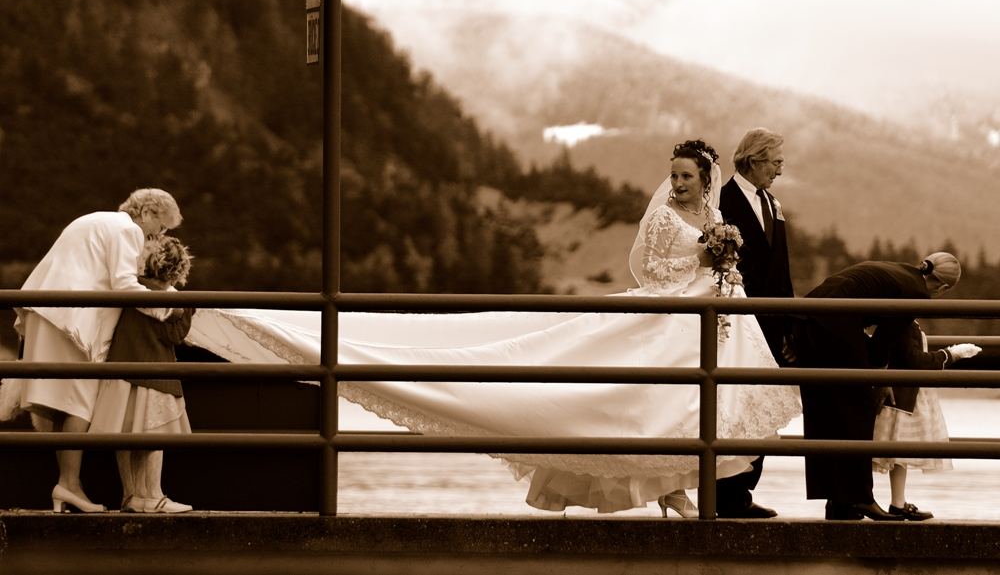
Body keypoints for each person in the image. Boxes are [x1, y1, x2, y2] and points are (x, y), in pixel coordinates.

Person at [184, 139, 801, 517]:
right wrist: (703, 257)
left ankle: (678, 489)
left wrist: (721, 260)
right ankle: (670, 491)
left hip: (711, 313)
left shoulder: (717, 214)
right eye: (673, 174)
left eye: (687, 175)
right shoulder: (666, 217)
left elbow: (713, 262)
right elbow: (653, 266)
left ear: (706, 178)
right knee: (636, 398)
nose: (677, 183)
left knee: (684, 404)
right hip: (671, 311)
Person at [13, 188, 182, 513]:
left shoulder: (95, 221)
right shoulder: (127, 229)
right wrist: (167, 306)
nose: (158, 237)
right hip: (69, 318)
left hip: (47, 313)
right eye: (160, 227)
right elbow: (124, 285)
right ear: (146, 213)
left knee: (62, 404)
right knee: (80, 403)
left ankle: (68, 486)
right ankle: (68, 485)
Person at [785, 252, 961, 521]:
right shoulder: (916, 291)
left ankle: (838, 502)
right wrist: (878, 382)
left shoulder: (902, 272)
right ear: (944, 287)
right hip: (832, 326)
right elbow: (884, 344)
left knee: (827, 413)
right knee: (861, 406)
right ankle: (860, 499)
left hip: (808, 320)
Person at [716, 127, 793, 519]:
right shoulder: (722, 201)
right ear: (755, 159)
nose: (780, 169)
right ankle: (725, 493)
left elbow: (782, 269)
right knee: (734, 404)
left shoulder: (772, 203)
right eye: (776, 162)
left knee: (763, 404)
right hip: (739, 322)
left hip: (773, 323)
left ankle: (743, 490)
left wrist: (790, 321)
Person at [89, 235, 195, 514]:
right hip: (156, 371)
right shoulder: (176, 303)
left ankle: (131, 495)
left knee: (125, 433)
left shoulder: (131, 291)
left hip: (122, 368)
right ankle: (154, 495)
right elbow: (178, 334)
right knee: (154, 434)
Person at [871, 321, 979, 521]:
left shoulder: (903, 322)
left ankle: (897, 502)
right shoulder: (904, 325)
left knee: (898, 453)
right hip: (900, 397)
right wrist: (950, 354)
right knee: (896, 451)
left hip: (904, 395)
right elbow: (915, 360)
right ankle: (893, 502)